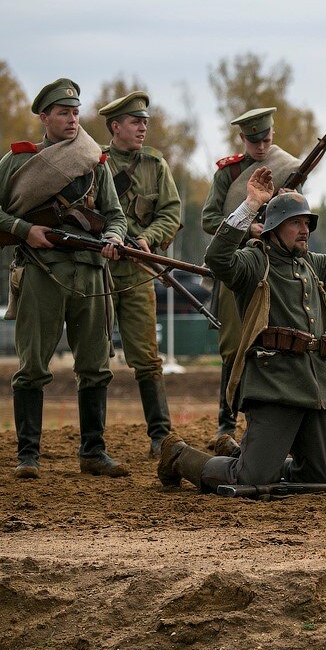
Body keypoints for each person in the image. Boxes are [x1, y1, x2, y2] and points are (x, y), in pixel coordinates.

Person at [158, 168, 326, 490]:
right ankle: (179, 456)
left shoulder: (310, 265)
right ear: (274, 228)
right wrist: (249, 206)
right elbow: (218, 258)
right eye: (296, 223)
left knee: (319, 480)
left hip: (314, 384)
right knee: (249, 479)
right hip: (274, 383)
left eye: (307, 224)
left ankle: (246, 453)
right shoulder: (253, 262)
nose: (305, 230)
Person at [0, 78, 129, 479]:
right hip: (42, 273)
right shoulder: (19, 161)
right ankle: (28, 456)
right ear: (44, 117)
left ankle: (93, 453)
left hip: (91, 272)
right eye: (63, 113)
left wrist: (114, 237)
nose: (71, 119)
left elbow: (115, 215)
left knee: (96, 366)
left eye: (76, 112)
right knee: (31, 367)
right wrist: (25, 230)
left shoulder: (95, 161)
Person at [200, 107, 300, 451]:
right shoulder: (228, 173)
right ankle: (225, 424)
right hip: (240, 265)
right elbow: (210, 219)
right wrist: (248, 225)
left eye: (266, 139)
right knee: (232, 347)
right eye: (254, 140)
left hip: (275, 268)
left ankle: (266, 421)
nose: (261, 146)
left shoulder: (287, 168)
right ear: (243, 139)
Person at [99, 91, 182, 457]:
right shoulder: (93, 163)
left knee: (147, 357)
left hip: (136, 271)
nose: (142, 127)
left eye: (145, 122)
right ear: (115, 127)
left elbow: (171, 213)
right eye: (135, 122)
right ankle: (93, 445)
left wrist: (147, 239)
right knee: (95, 357)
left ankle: (160, 437)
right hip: (96, 272)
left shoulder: (155, 164)